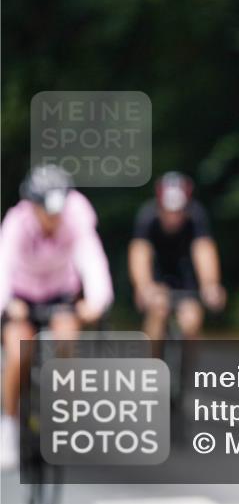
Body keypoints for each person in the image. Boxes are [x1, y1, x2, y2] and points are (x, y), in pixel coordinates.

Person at [0, 165, 114, 470]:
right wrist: (7, 304)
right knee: (17, 353)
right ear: (33, 205)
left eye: (58, 211)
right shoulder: (16, 223)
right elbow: (3, 266)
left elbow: (92, 260)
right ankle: (8, 425)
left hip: (59, 292)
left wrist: (95, 302)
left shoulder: (77, 215)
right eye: (47, 212)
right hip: (21, 295)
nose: (54, 218)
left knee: (66, 341)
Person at [128, 172, 225, 348]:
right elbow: (140, 253)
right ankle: (152, 360)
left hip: (186, 274)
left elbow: (204, 251)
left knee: (191, 320)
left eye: (178, 211)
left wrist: (210, 285)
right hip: (158, 273)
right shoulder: (147, 216)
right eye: (168, 211)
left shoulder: (196, 216)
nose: (173, 217)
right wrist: (143, 286)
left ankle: (188, 362)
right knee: (157, 309)